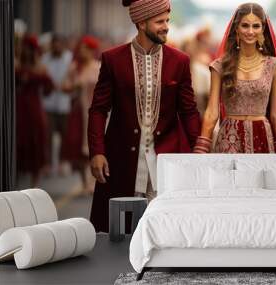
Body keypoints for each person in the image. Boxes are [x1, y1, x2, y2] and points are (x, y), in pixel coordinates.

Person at [88, 0, 201, 232]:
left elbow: (188, 111)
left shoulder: (179, 61)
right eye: (160, 21)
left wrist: (199, 152)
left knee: (167, 228)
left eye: (167, 21)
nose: (166, 26)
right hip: (123, 159)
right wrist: (97, 151)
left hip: (166, 159)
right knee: (121, 230)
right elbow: (99, 109)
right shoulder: (113, 59)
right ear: (141, 23)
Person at [193, 3, 276, 154]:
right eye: (245, 25)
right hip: (229, 140)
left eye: (256, 26)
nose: (250, 31)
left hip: (262, 138)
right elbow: (212, 111)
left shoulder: (274, 66)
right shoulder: (220, 66)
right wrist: (201, 148)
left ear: (262, 29)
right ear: (236, 28)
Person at [61, 36, 101, 195]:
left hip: (95, 113)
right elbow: (64, 86)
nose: (82, 52)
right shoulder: (74, 68)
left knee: (93, 147)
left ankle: (93, 182)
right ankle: (85, 181)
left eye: (86, 49)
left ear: (92, 51)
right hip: (78, 112)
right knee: (77, 147)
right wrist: (73, 86)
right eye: (81, 48)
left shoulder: (98, 67)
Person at [15, 35, 54, 187]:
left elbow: (48, 88)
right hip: (19, 108)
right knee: (19, 141)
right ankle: (16, 177)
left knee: (35, 141)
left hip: (34, 109)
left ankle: (34, 181)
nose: (26, 51)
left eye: (29, 48)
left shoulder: (40, 67)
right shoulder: (17, 65)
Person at [41, 34, 73, 175]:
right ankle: (47, 164)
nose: (57, 46)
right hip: (48, 102)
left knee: (65, 135)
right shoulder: (45, 59)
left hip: (65, 103)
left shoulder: (69, 58)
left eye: (59, 43)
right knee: (47, 135)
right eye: (55, 43)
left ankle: (62, 163)